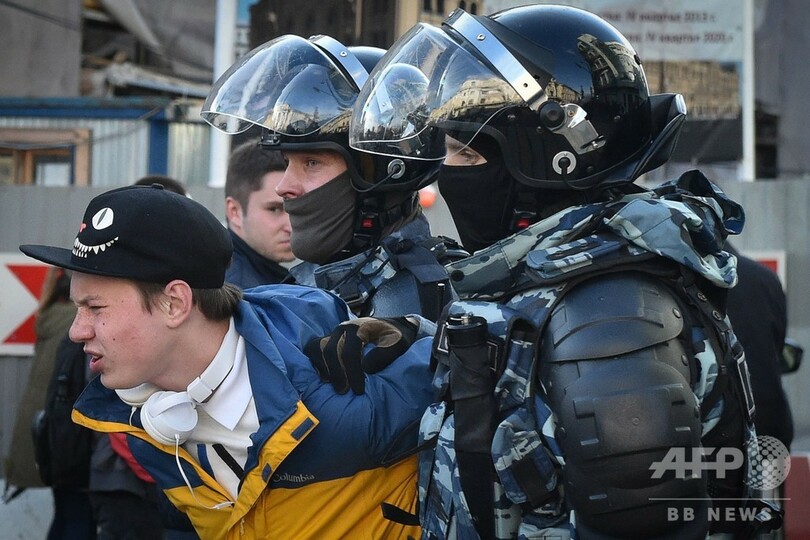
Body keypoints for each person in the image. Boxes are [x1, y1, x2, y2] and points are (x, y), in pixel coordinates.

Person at [344, 5, 774, 539]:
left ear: (551, 163)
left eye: (467, 156)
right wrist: (423, 339)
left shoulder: (611, 325)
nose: (446, 173)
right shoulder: (558, 288)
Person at [19, 183, 436, 539]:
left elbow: (466, 379)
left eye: (95, 308)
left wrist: (424, 333)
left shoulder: (341, 388)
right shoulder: (142, 425)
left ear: (174, 303)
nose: (76, 331)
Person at [202, 34, 460, 321]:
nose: (283, 187)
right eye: (287, 162)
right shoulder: (307, 285)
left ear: (381, 172)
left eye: (311, 163)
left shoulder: (439, 296)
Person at [3, 268, 96, 539]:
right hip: (69, 437)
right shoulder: (78, 325)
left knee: (66, 513)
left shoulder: (48, 317)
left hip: (48, 436)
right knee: (79, 517)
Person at [726, 244, 793, 450]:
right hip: (768, 427)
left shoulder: (676, 276)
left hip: (707, 432)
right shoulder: (764, 278)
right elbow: (775, 345)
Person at [223, 141, 294, 288]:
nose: (291, 226)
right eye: (274, 209)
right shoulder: (241, 292)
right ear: (234, 211)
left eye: (294, 208)